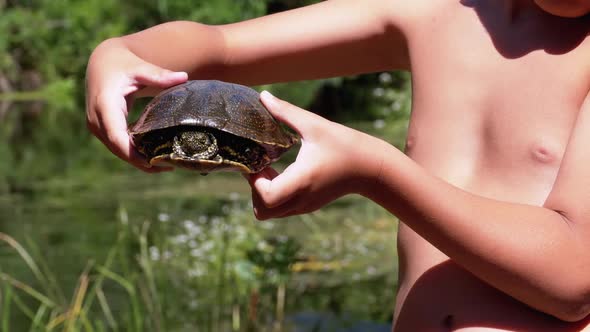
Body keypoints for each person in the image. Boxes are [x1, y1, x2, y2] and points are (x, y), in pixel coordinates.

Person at [86, 0, 590, 330]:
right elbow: (220, 46)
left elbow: (571, 279)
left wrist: (375, 171)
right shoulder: (436, 12)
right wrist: (121, 52)